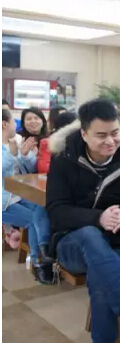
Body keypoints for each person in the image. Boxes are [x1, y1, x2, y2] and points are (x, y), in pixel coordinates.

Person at [46, 99, 120, 343]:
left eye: (115, 133)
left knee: (102, 281)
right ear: (84, 134)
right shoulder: (64, 158)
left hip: (116, 242)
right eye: (101, 135)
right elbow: (56, 210)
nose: (110, 141)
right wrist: (98, 218)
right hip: (71, 242)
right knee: (90, 235)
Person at [2, 109, 52, 283]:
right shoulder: (10, 145)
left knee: (42, 206)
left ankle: (44, 254)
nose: (16, 125)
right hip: (4, 200)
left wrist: (24, 155)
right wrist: (12, 154)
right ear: (5, 124)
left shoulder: (17, 140)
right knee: (32, 221)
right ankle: (39, 262)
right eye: (13, 122)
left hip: (19, 194)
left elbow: (31, 167)